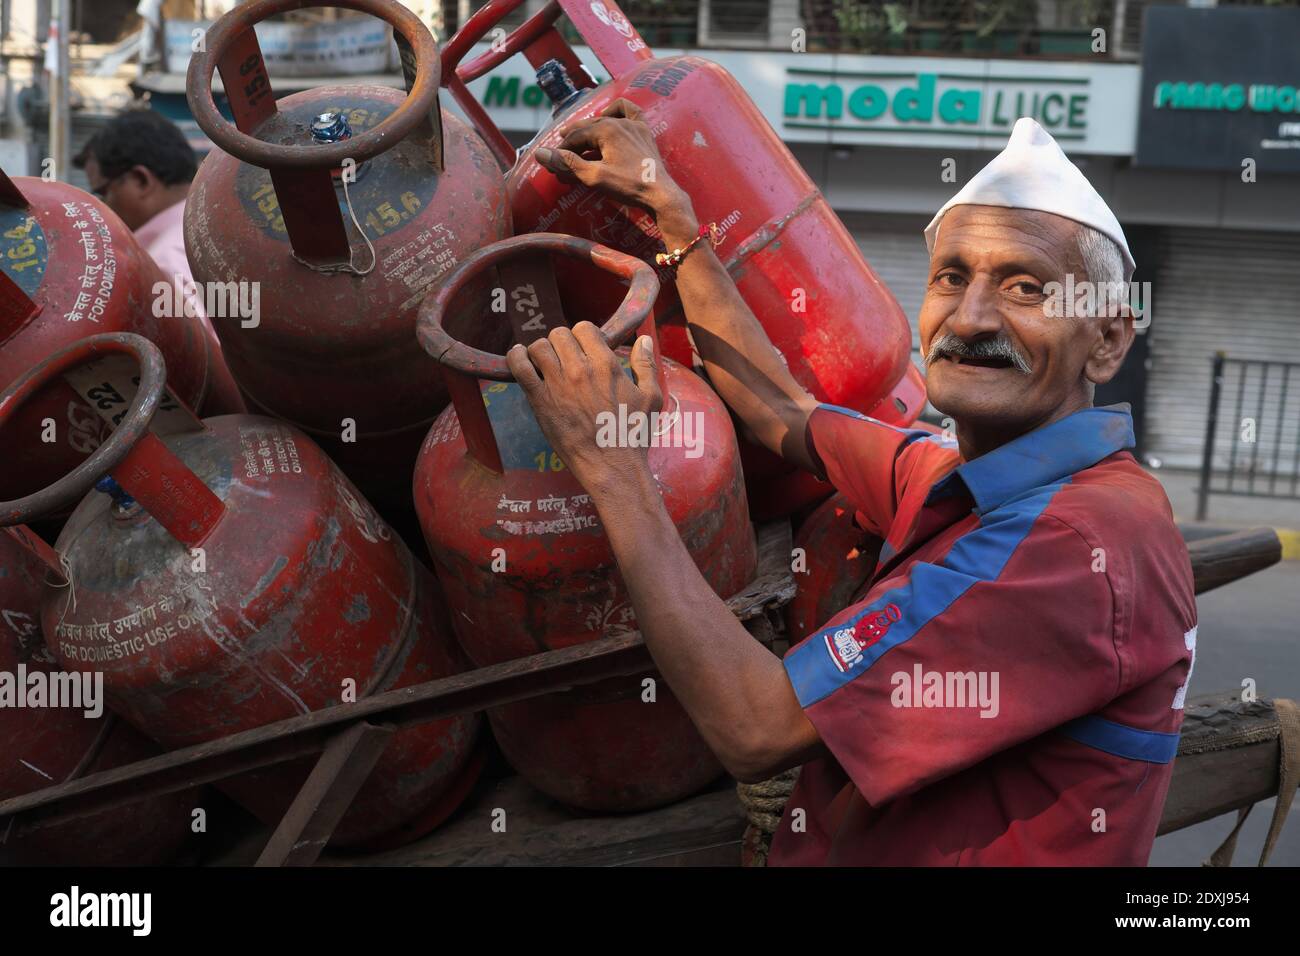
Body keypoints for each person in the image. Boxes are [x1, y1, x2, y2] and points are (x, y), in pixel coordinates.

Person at [506, 109, 1197, 866]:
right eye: (951, 278)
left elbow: (755, 728)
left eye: (1025, 288)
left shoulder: (1074, 546)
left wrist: (611, 467)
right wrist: (673, 221)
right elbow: (784, 412)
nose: (969, 318)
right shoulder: (954, 473)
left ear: (1107, 339)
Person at [74, 108, 206, 321]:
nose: (103, 206)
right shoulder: (219, 226)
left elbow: (203, 353)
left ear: (140, 180)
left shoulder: (162, 263)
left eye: (103, 193)